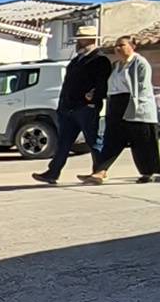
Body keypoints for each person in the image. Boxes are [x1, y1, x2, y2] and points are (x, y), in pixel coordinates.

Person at [32, 27, 111, 184]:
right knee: (63, 142)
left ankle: (100, 171)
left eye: (81, 40)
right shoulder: (76, 61)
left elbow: (102, 84)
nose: (78, 43)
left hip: (85, 108)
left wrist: (92, 101)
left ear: (91, 40)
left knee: (93, 140)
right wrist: (62, 106)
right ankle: (53, 172)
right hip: (68, 108)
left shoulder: (100, 60)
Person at [78, 36, 159, 184]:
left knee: (143, 143)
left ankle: (150, 172)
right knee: (112, 140)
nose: (118, 49)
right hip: (116, 104)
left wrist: (134, 107)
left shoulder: (140, 63)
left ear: (132, 46)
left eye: (121, 45)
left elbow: (142, 88)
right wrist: (96, 93)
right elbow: (109, 85)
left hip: (134, 106)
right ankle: (100, 172)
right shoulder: (116, 65)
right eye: (116, 46)